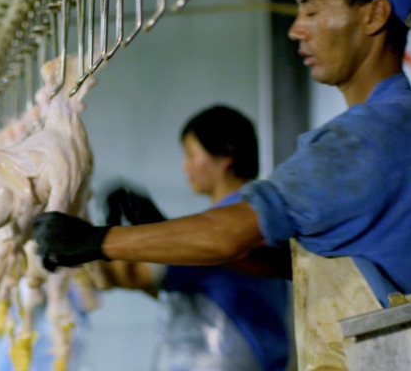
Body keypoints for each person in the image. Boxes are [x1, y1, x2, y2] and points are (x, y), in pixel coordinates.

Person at [33, 0, 411, 369]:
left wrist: (96, 241)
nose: (296, 28)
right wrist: (156, 229)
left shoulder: (366, 138)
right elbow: (289, 262)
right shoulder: (398, 125)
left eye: (312, 8)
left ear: (375, 14)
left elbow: (225, 237)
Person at [100, 105, 291, 371]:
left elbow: (134, 275)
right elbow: (183, 290)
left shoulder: (226, 228)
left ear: (225, 154)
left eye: (191, 154)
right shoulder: (248, 216)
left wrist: (95, 240)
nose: (185, 166)